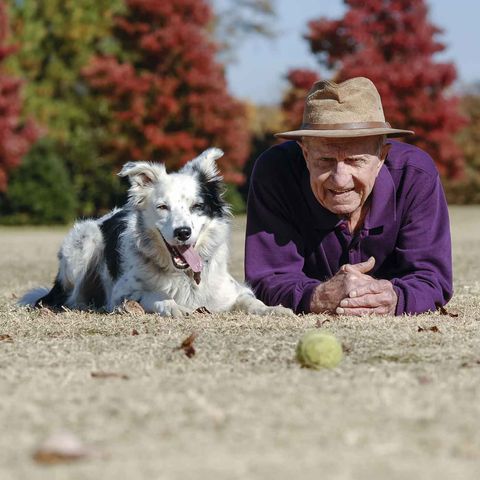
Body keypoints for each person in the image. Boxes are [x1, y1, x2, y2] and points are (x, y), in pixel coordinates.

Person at [244, 77, 452, 316]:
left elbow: (432, 279)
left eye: (355, 161)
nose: (340, 179)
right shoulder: (275, 172)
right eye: (325, 160)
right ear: (305, 153)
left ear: (381, 157)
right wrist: (318, 296)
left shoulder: (416, 175)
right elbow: (267, 279)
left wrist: (394, 297)